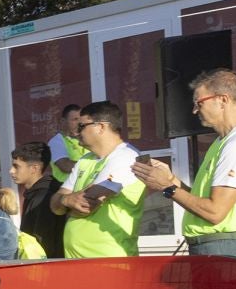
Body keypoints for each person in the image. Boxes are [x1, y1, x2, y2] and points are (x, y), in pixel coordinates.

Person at [132, 69, 236, 260]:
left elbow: (214, 212)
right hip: (218, 247)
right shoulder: (224, 141)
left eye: (199, 103)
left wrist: (166, 187)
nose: (195, 110)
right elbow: (202, 201)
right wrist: (171, 180)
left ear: (223, 100)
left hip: (224, 250)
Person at [53, 102, 144, 258]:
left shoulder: (127, 157)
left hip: (110, 260)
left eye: (81, 126)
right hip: (78, 262)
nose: (76, 132)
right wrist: (67, 201)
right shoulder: (84, 160)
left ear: (101, 127)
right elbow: (54, 205)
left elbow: (87, 205)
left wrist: (66, 203)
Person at [9, 141, 67, 258]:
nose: (11, 171)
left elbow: (42, 241)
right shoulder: (36, 193)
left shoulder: (44, 197)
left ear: (34, 168)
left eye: (16, 166)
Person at [46, 104, 85, 184]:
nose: (79, 123)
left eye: (80, 119)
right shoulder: (56, 141)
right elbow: (66, 166)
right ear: (63, 121)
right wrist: (94, 164)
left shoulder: (86, 138)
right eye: (75, 119)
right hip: (67, 191)